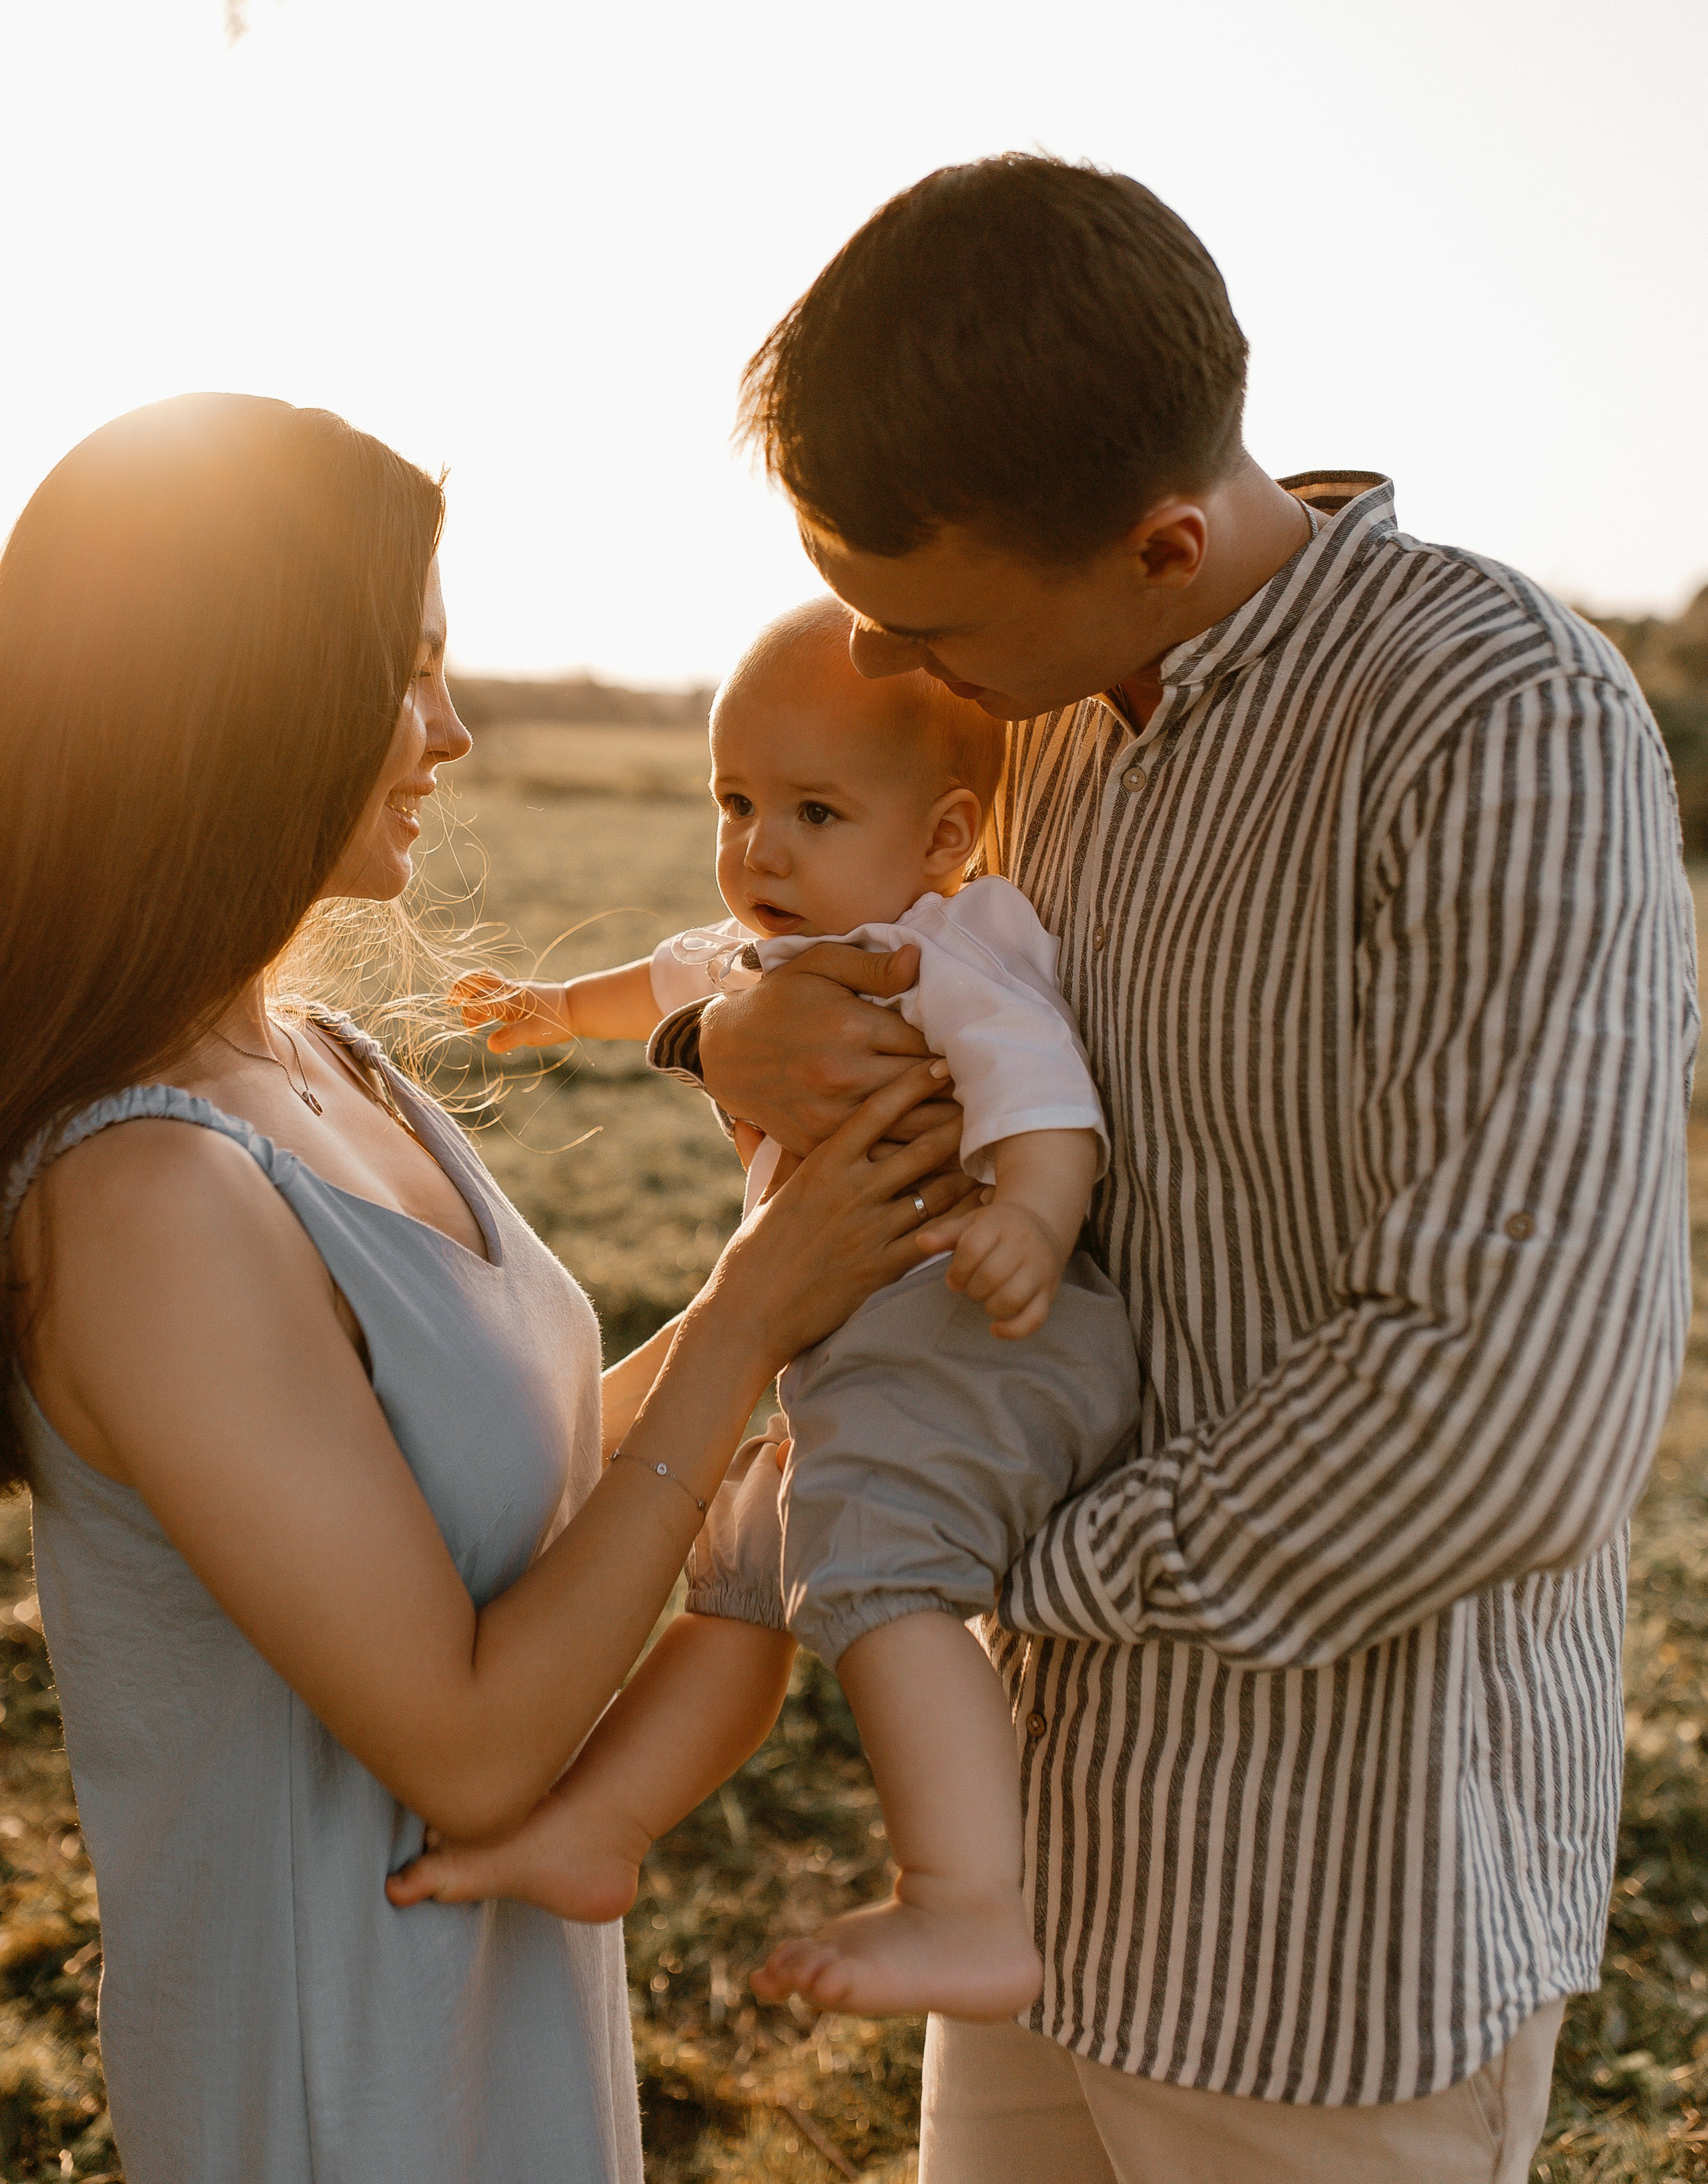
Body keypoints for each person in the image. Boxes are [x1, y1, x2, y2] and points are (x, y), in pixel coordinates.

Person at [645, 157, 1699, 2184]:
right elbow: (869, 1010)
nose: (876, 650)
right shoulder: (1026, 715)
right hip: (1052, 1865)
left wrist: (972, 1567)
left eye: (920, 614)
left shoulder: (1498, 724)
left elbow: (1508, 1409)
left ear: (1160, 540)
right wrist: (726, 1033)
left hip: (1337, 1916)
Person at [0, 394, 971, 2184]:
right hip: (336, 2053)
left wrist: (825, 1281)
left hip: (494, 1991)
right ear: (247, 703)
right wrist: (750, 1312)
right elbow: (466, 1742)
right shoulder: (143, 1196)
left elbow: (498, 1489)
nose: (452, 730)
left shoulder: (332, 1064)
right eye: (412, 671)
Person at [392, 598, 1140, 2021]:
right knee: (736, 1579)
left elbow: (1044, 1094)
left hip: (960, 1332)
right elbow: (663, 983)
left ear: (937, 840)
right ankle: (598, 1827)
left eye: (810, 809)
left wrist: (1033, 1222)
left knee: (876, 1570)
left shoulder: (945, 950)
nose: (759, 849)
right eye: (734, 803)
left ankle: (967, 1903)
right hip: (849, 1346)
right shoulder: (764, 954)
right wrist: (553, 1011)